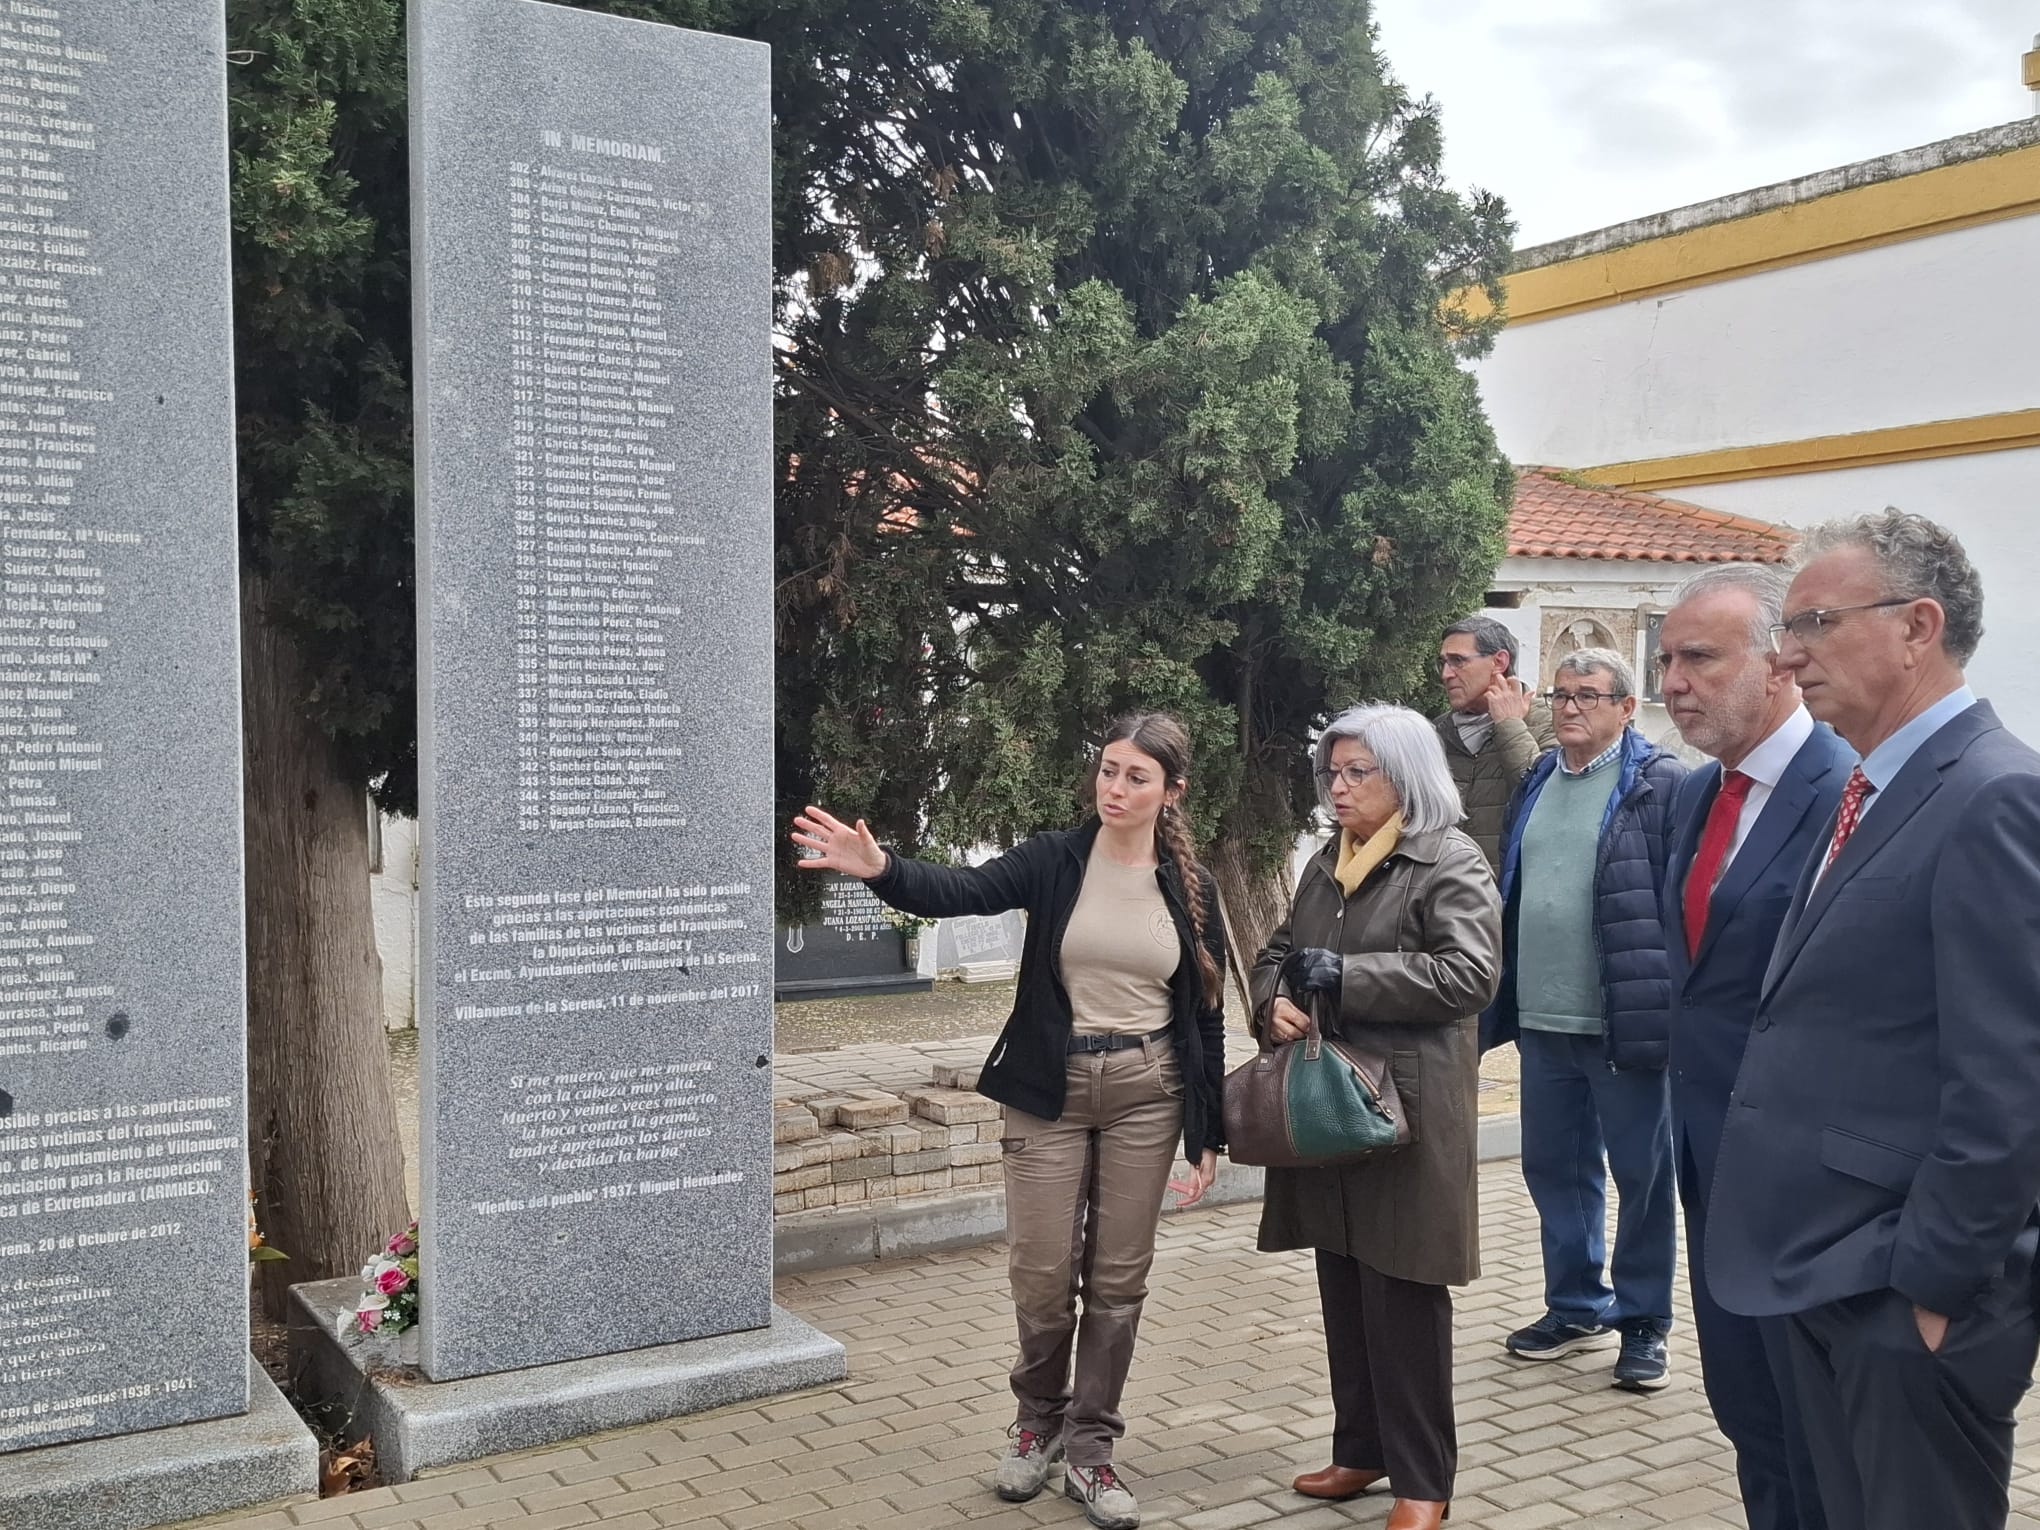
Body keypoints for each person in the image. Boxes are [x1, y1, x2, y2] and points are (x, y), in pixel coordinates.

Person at [789, 713, 1227, 1530]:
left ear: (1172, 791)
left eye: (1137, 776)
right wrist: (880, 867)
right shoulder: (1058, 859)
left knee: (1118, 1281)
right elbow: (965, 889)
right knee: (1041, 1272)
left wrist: (1209, 1135)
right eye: (1107, 770)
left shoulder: (1190, 887)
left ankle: (1091, 1452)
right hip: (1047, 1090)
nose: (1117, 789)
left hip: (1149, 1092)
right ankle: (1038, 1424)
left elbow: (1205, 1013)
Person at [1707, 510, 2040, 1530]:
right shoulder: (1872, 787)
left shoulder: (1993, 795)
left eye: (1816, 619)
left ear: (1917, 626)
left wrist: (1931, 1297)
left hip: (1900, 1293)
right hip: (1822, 1268)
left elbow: (2011, 1084)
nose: (1788, 650)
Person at [1252, 704, 1500, 1530]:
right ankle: (1360, 1451)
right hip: (1333, 1108)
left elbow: (1470, 977)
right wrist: (1274, 1003)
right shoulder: (1329, 860)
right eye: (1334, 772)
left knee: (1405, 1296)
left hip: (1410, 1115)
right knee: (1344, 1281)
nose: (1340, 786)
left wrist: (1351, 976)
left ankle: (1423, 1482)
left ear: (1407, 778)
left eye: (1360, 772)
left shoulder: (1448, 860)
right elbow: (1277, 954)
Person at [1657, 563, 1851, 1530]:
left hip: (1811, 1191)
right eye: (1665, 659)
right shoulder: (1694, 800)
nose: (1673, 682)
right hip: (1710, 1161)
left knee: (1822, 1436)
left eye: (1699, 656)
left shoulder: (1850, 793)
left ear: (1780, 663)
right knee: (1748, 1415)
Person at [1482, 647, 1686, 1389]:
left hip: (1624, 1023)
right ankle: (1575, 1305)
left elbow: (1685, 901)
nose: (1570, 707)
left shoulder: (1662, 786)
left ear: (1627, 709)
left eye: (1589, 696)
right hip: (1543, 1017)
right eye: (1562, 695)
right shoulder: (1538, 777)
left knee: (1642, 1176)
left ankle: (1644, 1325)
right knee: (1554, 1172)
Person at [1435, 616, 1557, 875]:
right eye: (1442, 663)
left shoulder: (1549, 721)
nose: (1446, 674)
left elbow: (1545, 799)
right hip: (1446, 897)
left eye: (1458, 660)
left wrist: (1510, 725)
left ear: (1499, 662)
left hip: (1514, 898)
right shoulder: (1435, 734)